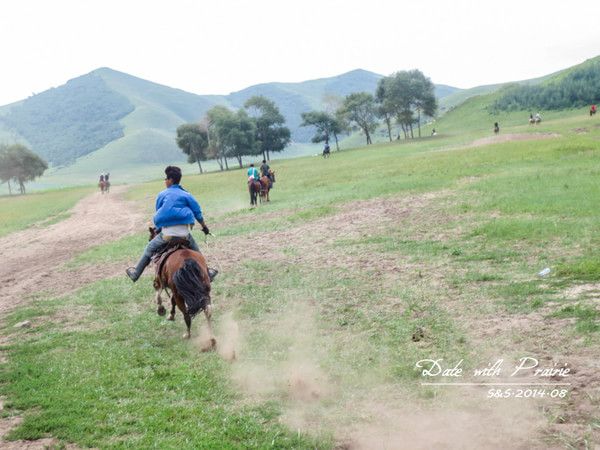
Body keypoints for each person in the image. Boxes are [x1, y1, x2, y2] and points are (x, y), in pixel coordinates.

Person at [126, 166, 217, 282]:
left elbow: (159, 213)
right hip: (184, 235)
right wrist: (204, 227)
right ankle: (207, 273)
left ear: (170, 180)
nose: (165, 181)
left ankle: (135, 273)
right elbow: (198, 214)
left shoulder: (162, 195)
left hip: (167, 235)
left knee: (149, 248)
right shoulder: (187, 195)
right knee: (197, 252)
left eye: (166, 179)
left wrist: (159, 228)